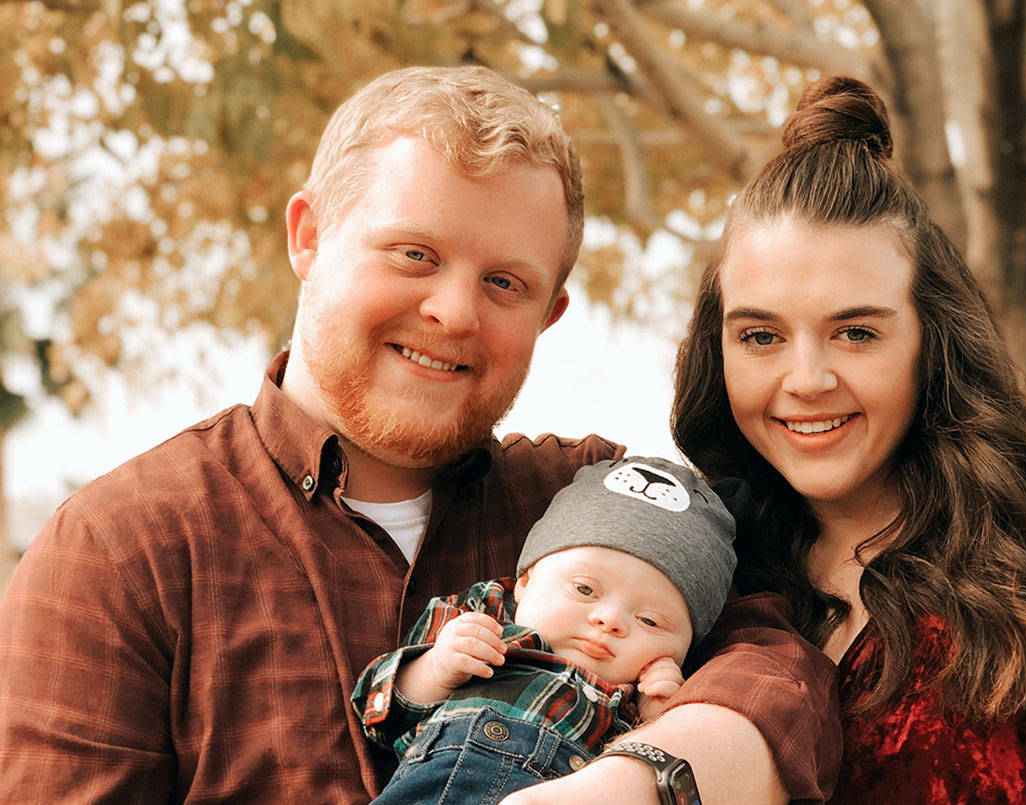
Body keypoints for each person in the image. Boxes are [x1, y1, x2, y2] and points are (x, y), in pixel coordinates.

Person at [0, 66, 840, 803]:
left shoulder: (597, 497)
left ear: (550, 314)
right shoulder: (120, 552)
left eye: (504, 282)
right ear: (309, 236)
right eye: (413, 254)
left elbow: (779, 670)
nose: (453, 312)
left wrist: (637, 782)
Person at [672, 75, 1026, 803]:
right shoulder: (703, 561)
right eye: (760, 335)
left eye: (855, 331)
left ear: (932, 337)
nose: (806, 378)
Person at [355, 456, 738, 804]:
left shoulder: (642, 696)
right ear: (525, 580)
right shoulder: (480, 620)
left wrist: (661, 716)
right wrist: (436, 668)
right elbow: (378, 708)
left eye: (650, 621)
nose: (610, 620)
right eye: (585, 589)